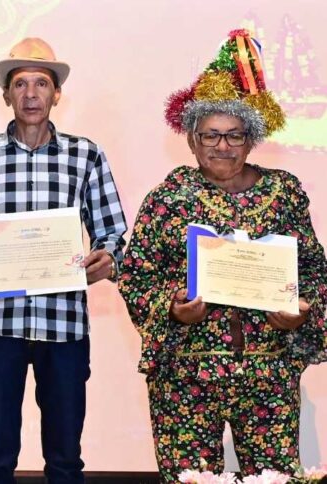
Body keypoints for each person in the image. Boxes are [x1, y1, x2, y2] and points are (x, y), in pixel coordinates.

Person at [118, 29, 327, 482]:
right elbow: (135, 275)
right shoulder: (168, 196)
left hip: (268, 370)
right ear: (191, 141)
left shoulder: (283, 191)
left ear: (251, 140)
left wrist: (301, 310)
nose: (222, 146)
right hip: (186, 375)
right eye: (210, 136)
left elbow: (311, 269)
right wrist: (172, 310)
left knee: (275, 478)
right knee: (189, 479)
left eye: (234, 135)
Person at [0, 37, 128, 484]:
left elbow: (112, 232)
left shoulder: (86, 154)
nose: (31, 94)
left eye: (41, 83)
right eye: (20, 84)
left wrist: (108, 258)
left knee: (65, 460)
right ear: (6, 95)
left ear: (57, 94)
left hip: (63, 325)